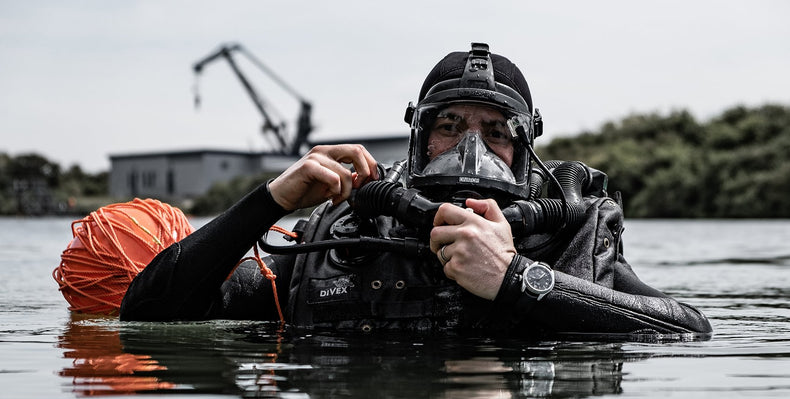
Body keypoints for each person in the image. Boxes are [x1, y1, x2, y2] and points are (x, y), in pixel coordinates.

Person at [120, 43, 712, 338]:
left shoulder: (567, 229)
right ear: (417, 136)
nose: (469, 148)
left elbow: (687, 326)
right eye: (449, 127)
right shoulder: (348, 228)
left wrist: (517, 280)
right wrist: (268, 201)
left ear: (525, 143)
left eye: (495, 131)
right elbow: (148, 313)